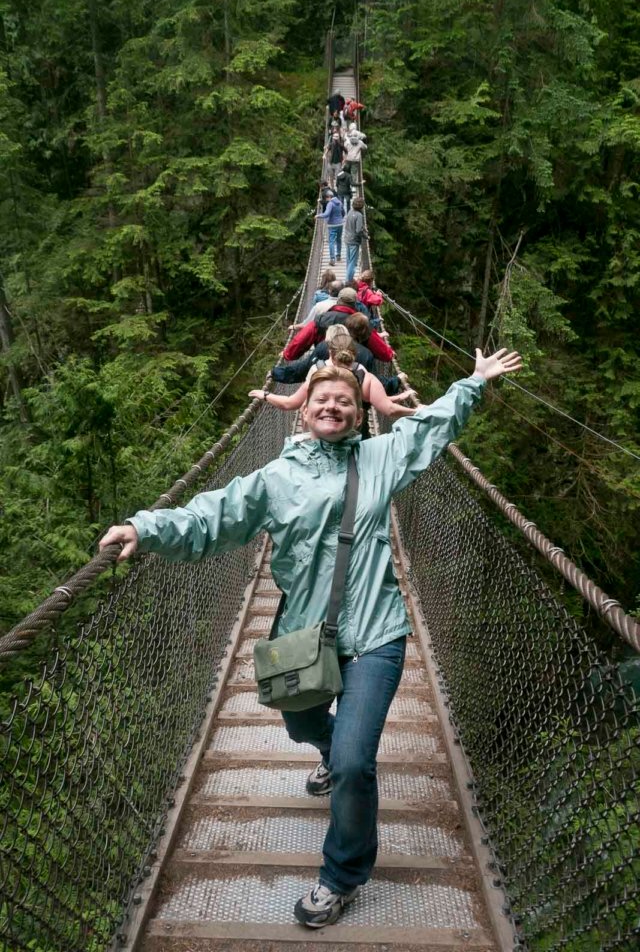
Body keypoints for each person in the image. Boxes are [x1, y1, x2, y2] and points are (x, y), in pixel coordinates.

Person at [99, 347, 523, 929]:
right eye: (322, 398)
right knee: (301, 724)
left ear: (358, 413)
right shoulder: (277, 478)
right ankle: (325, 748)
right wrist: (143, 529)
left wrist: (473, 382)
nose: (332, 406)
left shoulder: (381, 458)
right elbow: (212, 517)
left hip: (377, 633)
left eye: (344, 401)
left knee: (355, 763)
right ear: (303, 413)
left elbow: (431, 426)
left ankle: (341, 875)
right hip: (304, 633)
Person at [250, 329, 416, 421]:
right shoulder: (361, 373)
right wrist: (415, 411)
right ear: (353, 352)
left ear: (329, 351)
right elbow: (387, 407)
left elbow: (289, 403)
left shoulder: (318, 370)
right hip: (351, 434)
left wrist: (265, 395)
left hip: (322, 435)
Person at [284, 287, 393, 363]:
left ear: (338, 300)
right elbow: (383, 353)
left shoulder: (321, 319)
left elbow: (300, 340)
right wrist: (389, 354)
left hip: (323, 367)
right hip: (354, 372)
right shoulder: (362, 323)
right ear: (355, 303)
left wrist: (288, 355)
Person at [315, 190, 344, 267]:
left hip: (332, 225)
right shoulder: (340, 202)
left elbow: (326, 214)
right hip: (340, 224)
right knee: (339, 239)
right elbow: (343, 212)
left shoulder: (330, 204)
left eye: (326, 198)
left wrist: (318, 216)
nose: (326, 200)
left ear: (328, 197)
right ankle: (338, 256)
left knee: (331, 242)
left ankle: (332, 259)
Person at [344, 198, 367, 282]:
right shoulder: (359, 215)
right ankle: (348, 281)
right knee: (353, 262)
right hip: (354, 241)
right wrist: (366, 236)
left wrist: (363, 228)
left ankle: (348, 278)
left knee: (349, 260)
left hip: (347, 239)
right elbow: (358, 230)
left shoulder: (350, 211)